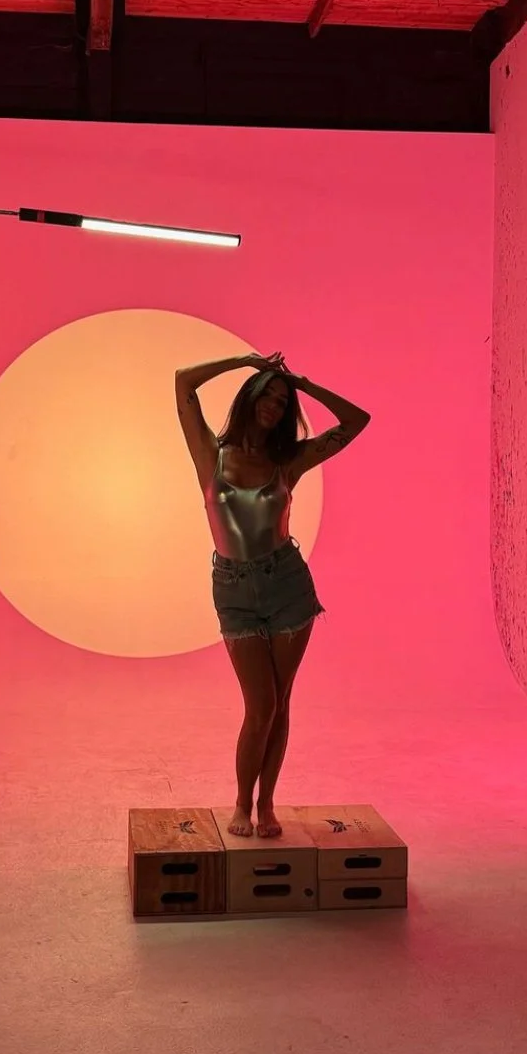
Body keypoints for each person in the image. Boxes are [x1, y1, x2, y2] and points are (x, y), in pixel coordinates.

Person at [174, 351, 370, 839]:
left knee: (280, 703)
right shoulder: (210, 453)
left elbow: (356, 421)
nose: (274, 406)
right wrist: (245, 361)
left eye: (283, 402)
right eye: (268, 396)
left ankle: (266, 804)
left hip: (287, 586)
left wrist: (303, 384)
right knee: (259, 705)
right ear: (251, 397)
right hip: (234, 590)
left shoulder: (289, 461)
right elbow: (184, 382)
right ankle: (242, 802)